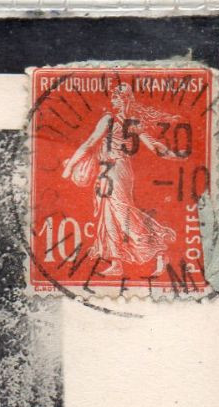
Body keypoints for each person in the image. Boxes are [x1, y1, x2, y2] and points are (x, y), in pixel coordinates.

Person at [60, 81, 183, 278]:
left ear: (126, 99)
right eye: (114, 97)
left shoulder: (117, 120)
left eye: (119, 97)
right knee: (108, 214)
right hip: (106, 170)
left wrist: (68, 167)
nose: (114, 100)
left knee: (123, 212)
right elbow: (91, 142)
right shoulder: (121, 120)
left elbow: (151, 146)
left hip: (117, 170)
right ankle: (116, 262)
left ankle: (159, 251)